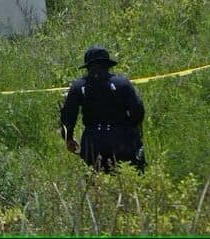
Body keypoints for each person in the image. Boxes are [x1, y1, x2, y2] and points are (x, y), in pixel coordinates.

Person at [59, 45, 146, 173]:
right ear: (107, 65)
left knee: (95, 180)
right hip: (121, 138)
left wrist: (68, 138)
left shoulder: (78, 87)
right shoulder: (122, 83)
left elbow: (68, 116)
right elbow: (138, 111)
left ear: (88, 67)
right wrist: (129, 129)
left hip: (93, 140)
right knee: (128, 175)